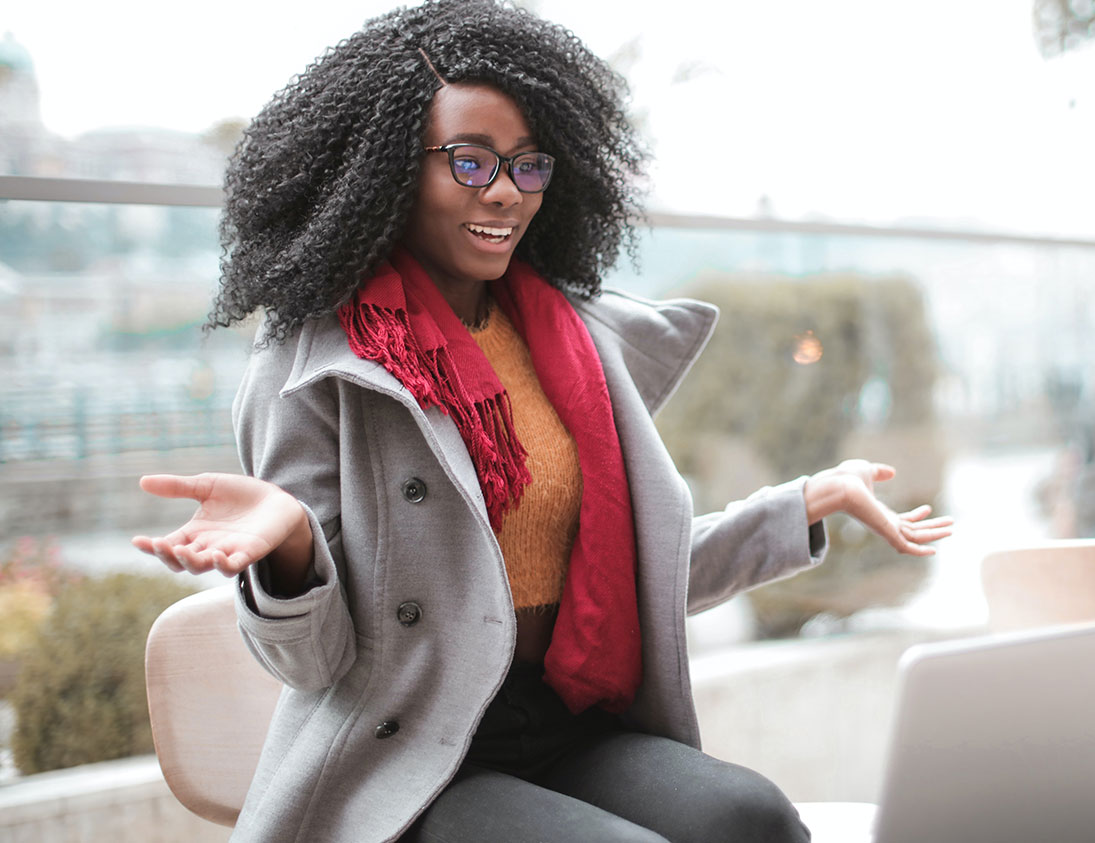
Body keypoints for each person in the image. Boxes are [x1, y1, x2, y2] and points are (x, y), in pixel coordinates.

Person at [129, 3, 952, 841]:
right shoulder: (315, 367)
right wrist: (293, 550)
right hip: (415, 749)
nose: (504, 193)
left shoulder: (569, 342)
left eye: (527, 166)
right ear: (382, 171)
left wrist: (803, 502)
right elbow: (317, 663)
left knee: (752, 818)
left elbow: (630, 581)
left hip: (565, 715)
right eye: (469, 160)